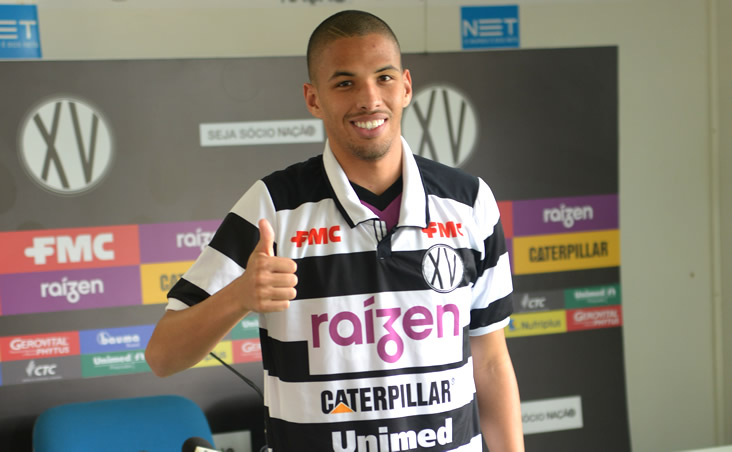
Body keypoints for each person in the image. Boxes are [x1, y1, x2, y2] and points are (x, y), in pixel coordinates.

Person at [146, 9, 524, 452]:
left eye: (383, 78)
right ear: (313, 99)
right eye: (345, 83)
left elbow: (490, 362)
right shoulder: (273, 206)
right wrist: (239, 296)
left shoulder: (470, 201)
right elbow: (163, 356)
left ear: (405, 86)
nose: (369, 99)